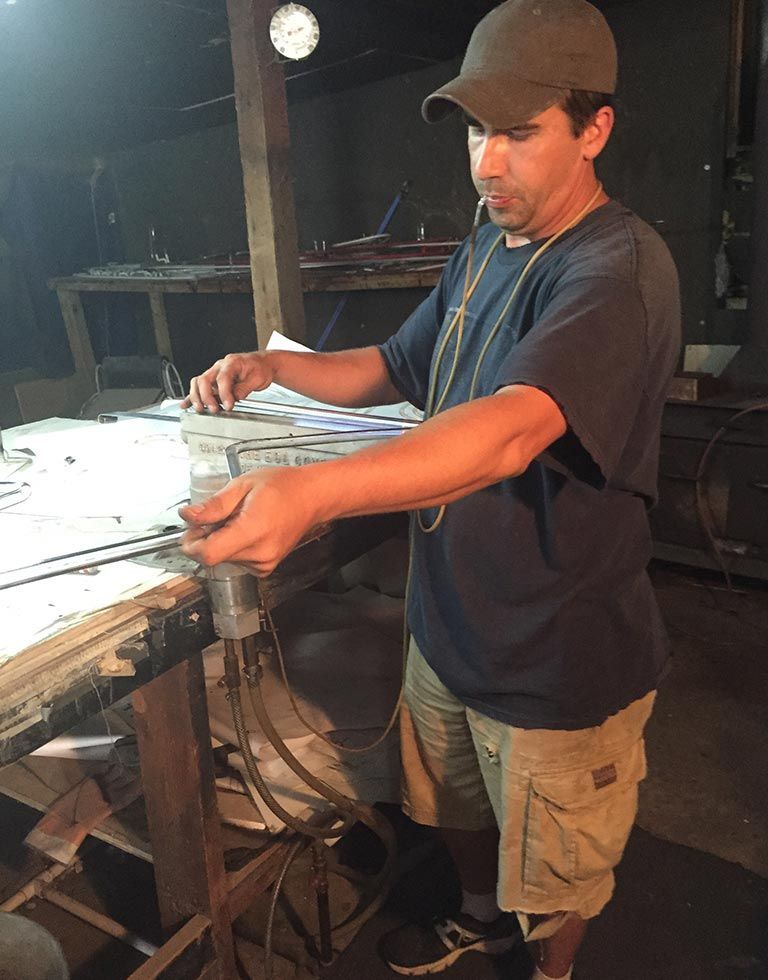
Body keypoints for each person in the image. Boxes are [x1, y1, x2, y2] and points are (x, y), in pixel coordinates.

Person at [180, 1, 681, 976]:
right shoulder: (485, 248)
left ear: (594, 129)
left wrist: (313, 491)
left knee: (558, 872)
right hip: (451, 623)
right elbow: (397, 367)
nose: (486, 163)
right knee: (452, 805)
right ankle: (478, 915)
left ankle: (547, 963)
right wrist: (276, 367)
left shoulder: (614, 268)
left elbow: (510, 429)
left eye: (520, 133)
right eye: (477, 132)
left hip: (555, 657)